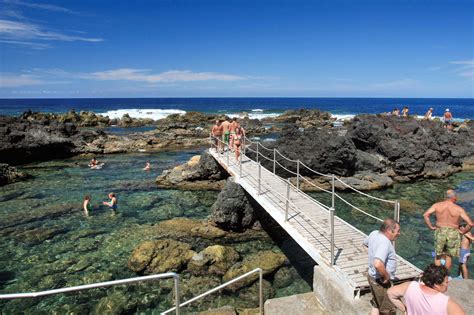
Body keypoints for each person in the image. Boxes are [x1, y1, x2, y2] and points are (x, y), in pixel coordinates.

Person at [423, 189, 474, 271]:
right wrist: (462, 232)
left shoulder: (437, 205)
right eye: (456, 197)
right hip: (453, 232)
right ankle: (445, 276)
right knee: (449, 255)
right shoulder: (458, 209)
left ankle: (437, 275)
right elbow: (471, 224)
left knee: (438, 255)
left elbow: (425, 215)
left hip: (440, 230)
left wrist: (431, 227)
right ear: (454, 198)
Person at [387, 264, 465, 315]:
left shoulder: (411, 286)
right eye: (446, 282)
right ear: (436, 285)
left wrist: (404, 309)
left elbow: (390, 292)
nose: (448, 284)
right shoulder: (445, 302)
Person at [363, 218, 400, 315]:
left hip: (372, 277)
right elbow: (378, 264)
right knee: (388, 310)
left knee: (376, 305)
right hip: (381, 282)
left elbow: (365, 244)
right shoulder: (385, 243)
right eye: (397, 231)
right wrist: (386, 276)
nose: (399, 233)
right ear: (389, 230)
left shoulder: (374, 233)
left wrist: (373, 255)